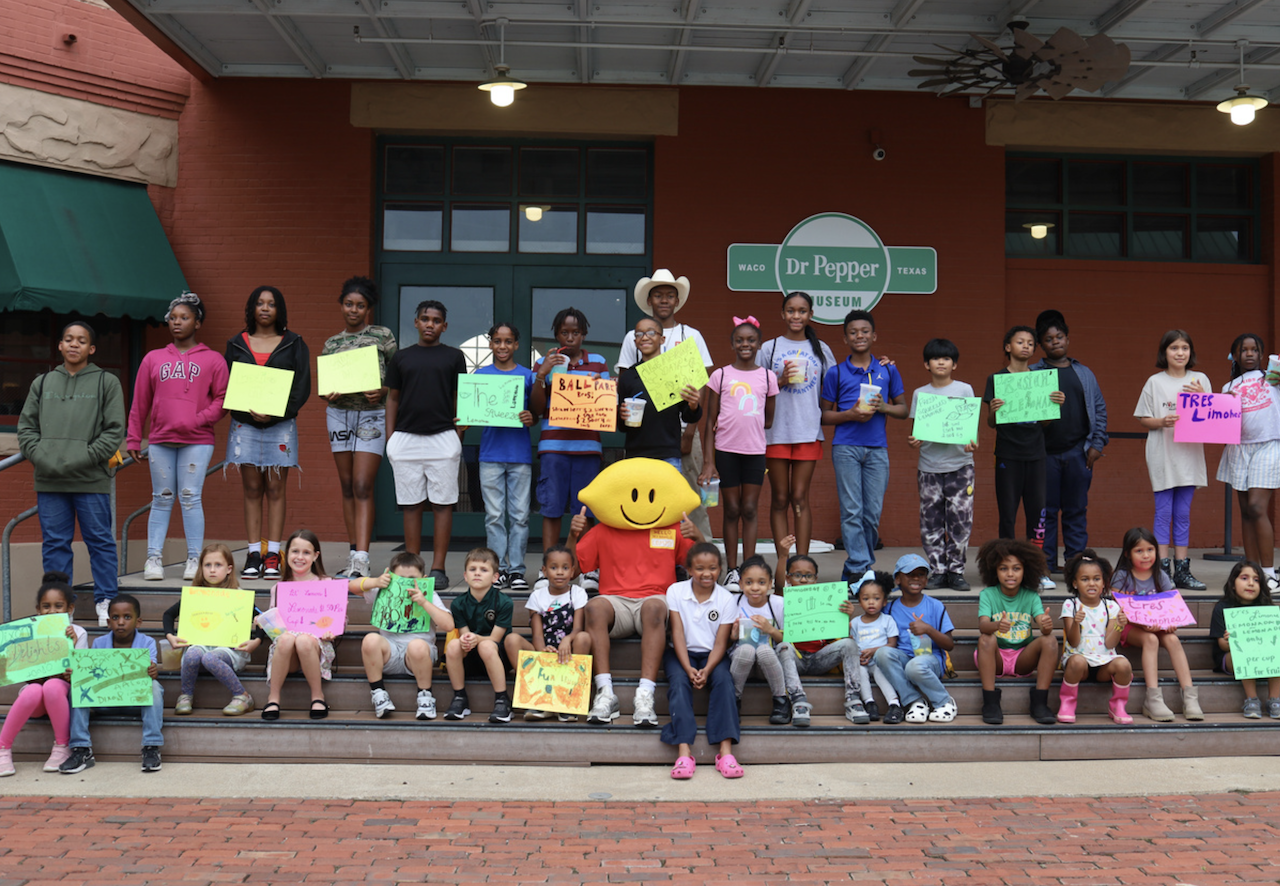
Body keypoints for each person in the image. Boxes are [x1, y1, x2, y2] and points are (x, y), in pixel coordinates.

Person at [568, 458, 703, 728]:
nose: (641, 502)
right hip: (615, 602)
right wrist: (573, 536)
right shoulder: (602, 530)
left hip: (654, 601)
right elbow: (572, 570)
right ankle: (605, 692)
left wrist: (698, 537)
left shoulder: (671, 529)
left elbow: (704, 569)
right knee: (594, 607)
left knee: (654, 607)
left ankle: (645, 694)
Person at [18, 321, 126, 627]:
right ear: (60, 346)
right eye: (68, 339)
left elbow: (114, 432)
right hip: (50, 480)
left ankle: (106, 601)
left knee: (100, 541)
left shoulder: (106, 382)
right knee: (55, 544)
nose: (74, 344)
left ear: (91, 348)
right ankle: (60, 609)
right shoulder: (42, 383)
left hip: (91, 479)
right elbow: (26, 430)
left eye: (81, 340)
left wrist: (83, 458)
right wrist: (44, 458)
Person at [127, 292, 228, 583]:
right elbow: (140, 401)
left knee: (190, 497)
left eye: (184, 317)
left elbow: (223, 399)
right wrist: (134, 437)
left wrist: (197, 419)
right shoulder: (153, 358)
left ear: (198, 322)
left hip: (198, 439)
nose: (177, 322)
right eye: (172, 318)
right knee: (161, 498)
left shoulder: (213, 360)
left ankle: (195, 559)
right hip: (161, 439)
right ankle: (153, 559)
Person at [616, 270, 715, 540]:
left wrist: (690, 431)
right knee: (645, 498)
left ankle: (700, 552)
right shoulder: (632, 337)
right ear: (649, 300)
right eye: (658, 295)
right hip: (644, 432)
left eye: (669, 295)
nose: (664, 300)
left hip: (682, 427)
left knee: (689, 496)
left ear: (677, 301)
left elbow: (700, 384)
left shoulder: (691, 335)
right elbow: (625, 383)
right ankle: (652, 551)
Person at [225, 286, 311, 582]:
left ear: (279, 309)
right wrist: (248, 411)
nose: (265, 308)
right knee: (251, 490)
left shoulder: (294, 343)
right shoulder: (236, 343)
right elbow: (228, 384)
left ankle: (273, 554)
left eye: (271, 304)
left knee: (275, 490)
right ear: (251, 308)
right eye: (260, 303)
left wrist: (275, 413)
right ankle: (253, 554)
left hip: (280, 425)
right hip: (244, 424)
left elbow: (301, 387)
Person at [319, 276, 398, 580]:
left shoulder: (382, 336)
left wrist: (383, 391)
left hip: (371, 416)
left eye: (360, 305)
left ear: (368, 309)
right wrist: (328, 394)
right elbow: (325, 387)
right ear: (341, 306)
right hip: (339, 415)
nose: (354, 310)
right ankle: (353, 554)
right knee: (348, 484)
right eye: (349, 304)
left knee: (363, 485)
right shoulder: (331, 343)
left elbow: (398, 377)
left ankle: (363, 559)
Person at [384, 299, 467, 589]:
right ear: (416, 323)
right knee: (411, 505)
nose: (430, 324)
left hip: (443, 437)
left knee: (443, 504)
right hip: (405, 438)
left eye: (436, 320)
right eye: (425, 319)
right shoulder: (401, 357)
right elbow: (393, 398)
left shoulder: (454, 356)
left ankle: (438, 568)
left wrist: (458, 435)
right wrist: (391, 437)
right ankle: (411, 568)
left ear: (444, 326)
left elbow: (459, 397)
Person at [820, 310, 907, 581]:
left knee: (872, 513)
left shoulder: (887, 369)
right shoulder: (835, 372)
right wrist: (850, 414)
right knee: (851, 511)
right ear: (845, 338)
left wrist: (884, 407)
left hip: (877, 449)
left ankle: (858, 567)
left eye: (865, 331)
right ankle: (860, 568)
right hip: (845, 447)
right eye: (853, 332)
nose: (859, 336)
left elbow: (903, 409)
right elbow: (823, 415)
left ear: (874, 336)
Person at [757, 292, 837, 586]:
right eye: (790, 310)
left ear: (810, 314)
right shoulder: (769, 348)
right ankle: (784, 565)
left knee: (800, 497)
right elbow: (755, 388)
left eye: (802, 311)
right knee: (780, 498)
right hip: (775, 432)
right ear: (782, 314)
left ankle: (803, 567)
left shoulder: (821, 349)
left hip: (807, 430)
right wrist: (779, 381)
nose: (796, 316)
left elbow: (834, 385)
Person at [260, 529, 379, 721]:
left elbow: (339, 617)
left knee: (304, 640)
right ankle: (273, 698)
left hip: (316, 647)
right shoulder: (279, 588)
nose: (300, 557)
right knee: (286, 639)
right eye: (295, 551)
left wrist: (333, 631)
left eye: (306, 552)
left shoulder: (327, 584)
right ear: (287, 553)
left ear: (315, 556)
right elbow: (276, 625)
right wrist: (266, 623)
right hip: (287, 653)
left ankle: (317, 696)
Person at [983, 325, 1065, 592]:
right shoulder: (997, 379)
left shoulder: (1041, 379)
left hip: (1036, 454)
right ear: (1008, 347)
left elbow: (1045, 423)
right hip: (1007, 454)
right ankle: (1005, 568)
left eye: (1030, 343)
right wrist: (994, 410)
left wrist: (1054, 406)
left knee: (1038, 515)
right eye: (1020, 342)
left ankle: (1037, 570)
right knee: (1007, 514)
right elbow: (992, 423)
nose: (1026, 346)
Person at [700, 317, 778, 589]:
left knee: (750, 508)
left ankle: (749, 568)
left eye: (751, 340)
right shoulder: (720, 375)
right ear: (732, 344)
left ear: (759, 344)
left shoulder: (768, 377)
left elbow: (769, 420)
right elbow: (709, 422)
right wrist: (708, 462)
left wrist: (747, 422)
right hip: (726, 451)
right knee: (732, 509)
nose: (746, 344)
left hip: (755, 452)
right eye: (740, 340)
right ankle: (732, 570)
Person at [531, 307, 610, 569]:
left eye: (575, 332)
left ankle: (584, 568)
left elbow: (607, 406)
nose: (570, 337)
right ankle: (548, 567)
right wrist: (542, 374)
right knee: (551, 508)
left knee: (584, 510)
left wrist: (602, 388)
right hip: (553, 446)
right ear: (556, 335)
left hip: (588, 447)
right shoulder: (544, 361)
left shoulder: (598, 361)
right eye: (564, 332)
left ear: (584, 334)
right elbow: (535, 408)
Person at [1134, 329, 1211, 591]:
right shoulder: (1154, 382)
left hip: (1189, 455)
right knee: (1163, 512)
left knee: (1182, 513)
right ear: (1164, 352)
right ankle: (1162, 569)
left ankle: (1183, 570)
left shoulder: (1200, 379)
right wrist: (1162, 421)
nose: (1180, 353)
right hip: (1162, 453)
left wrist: (1204, 396)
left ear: (1191, 352)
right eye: (1174, 348)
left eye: (1184, 348)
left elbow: (1211, 419)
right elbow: (1143, 418)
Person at [1032, 310, 1108, 575]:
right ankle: (1045, 566)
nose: (1055, 342)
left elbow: (1099, 409)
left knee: (1076, 511)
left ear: (1067, 339)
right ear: (1041, 345)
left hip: (1079, 452)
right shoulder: (1033, 374)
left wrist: (1097, 445)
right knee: (1045, 513)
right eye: (1048, 339)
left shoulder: (1084, 373)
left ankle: (1076, 566)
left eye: (1059, 337)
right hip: (1043, 455)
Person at [60, 594, 163, 774]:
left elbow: (150, 669)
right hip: (104, 703)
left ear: (138, 622)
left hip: (136, 703)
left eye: (127, 617)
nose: (121, 622)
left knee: (154, 687)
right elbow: (91, 674)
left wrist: (153, 672)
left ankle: (151, 746)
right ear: (108, 622)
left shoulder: (147, 642)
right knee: (78, 688)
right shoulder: (99, 643)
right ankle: (81, 749)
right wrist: (76, 675)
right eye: (115, 618)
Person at [665, 542, 742, 780]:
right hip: (681, 652)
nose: (706, 573)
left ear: (720, 569)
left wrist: (707, 669)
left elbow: (721, 642)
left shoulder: (726, 598)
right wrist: (688, 667)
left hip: (712, 655)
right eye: (699, 568)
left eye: (712, 568)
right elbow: (677, 633)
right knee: (679, 683)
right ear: (689, 569)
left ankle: (725, 753)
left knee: (724, 682)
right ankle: (684, 753)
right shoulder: (676, 591)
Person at [0, 572, 87, 776]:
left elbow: (80, 676)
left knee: (52, 686)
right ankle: (3, 749)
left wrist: (72, 646)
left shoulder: (78, 632)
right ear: (38, 610)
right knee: (33, 690)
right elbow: (26, 674)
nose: (52, 611)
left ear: (69, 609)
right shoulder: (28, 633)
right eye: (46, 606)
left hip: (62, 696)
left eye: (58, 606)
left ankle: (62, 746)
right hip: (37, 700)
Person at [907, 338, 977, 591]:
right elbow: (916, 430)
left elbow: (971, 428)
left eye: (946, 358)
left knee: (960, 521)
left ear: (954, 364)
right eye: (935, 358)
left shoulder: (964, 390)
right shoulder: (920, 394)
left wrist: (972, 442)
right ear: (927, 364)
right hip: (929, 467)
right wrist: (914, 441)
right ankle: (937, 570)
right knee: (931, 521)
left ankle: (956, 571)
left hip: (961, 466)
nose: (941, 362)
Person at [1111, 526, 1201, 722]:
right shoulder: (1122, 577)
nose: (1146, 555)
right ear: (1127, 554)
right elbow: (1116, 608)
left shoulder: (1161, 576)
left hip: (1156, 625)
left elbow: (1170, 607)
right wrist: (1143, 624)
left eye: (1150, 550)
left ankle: (1190, 696)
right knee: (1151, 640)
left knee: (1173, 639)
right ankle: (1153, 698)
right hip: (1129, 627)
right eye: (1139, 551)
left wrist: (1170, 622)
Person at [164, 543, 261, 717]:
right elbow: (168, 614)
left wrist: (256, 641)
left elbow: (262, 619)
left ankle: (242, 696)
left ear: (229, 569)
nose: (212, 570)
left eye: (218, 565)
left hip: (230, 652)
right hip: (200, 647)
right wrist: (170, 636)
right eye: (207, 565)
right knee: (193, 653)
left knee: (210, 658)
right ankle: (185, 695)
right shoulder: (195, 595)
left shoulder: (238, 595)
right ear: (201, 568)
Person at [474, 322, 536, 592]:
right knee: (494, 515)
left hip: (520, 454)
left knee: (520, 515)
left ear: (516, 345)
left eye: (508, 341)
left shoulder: (528, 376)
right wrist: (464, 421)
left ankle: (517, 570)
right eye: (497, 341)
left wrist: (531, 417)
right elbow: (470, 411)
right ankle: (497, 570)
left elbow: (537, 411)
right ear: (490, 344)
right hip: (490, 453)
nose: (502, 346)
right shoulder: (480, 375)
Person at [776, 548, 866, 726]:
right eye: (797, 575)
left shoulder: (828, 599)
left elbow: (840, 637)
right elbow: (778, 585)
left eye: (809, 576)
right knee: (783, 646)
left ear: (816, 579)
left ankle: (853, 699)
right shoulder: (781, 601)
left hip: (820, 658)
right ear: (788, 578)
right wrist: (783, 555)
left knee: (849, 644)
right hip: (795, 659)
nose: (803, 579)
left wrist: (846, 617)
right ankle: (798, 701)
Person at [1218, 334, 1280, 588]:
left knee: (1256, 507)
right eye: (1244, 350)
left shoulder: (1273, 378)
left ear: (1262, 354)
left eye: (1255, 349)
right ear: (1235, 355)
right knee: (1245, 512)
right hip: (1239, 448)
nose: (1250, 354)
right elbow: (1221, 425)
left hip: (1269, 445)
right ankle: (1252, 573)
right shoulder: (1228, 387)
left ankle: (1269, 573)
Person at [974, 538, 1058, 725]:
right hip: (995, 657)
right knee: (986, 639)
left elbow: (1043, 626)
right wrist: (997, 625)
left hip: (1022, 658)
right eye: (1003, 568)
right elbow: (983, 626)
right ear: (994, 570)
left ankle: (1040, 702)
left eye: (1016, 568)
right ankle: (990, 702)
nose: (1010, 574)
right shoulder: (988, 594)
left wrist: (1046, 624)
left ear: (1025, 570)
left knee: (1050, 640)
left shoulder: (1031, 596)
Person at [503, 544, 591, 721]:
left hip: (569, 651)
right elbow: (537, 634)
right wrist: (543, 651)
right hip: (544, 651)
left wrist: (567, 640)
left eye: (565, 568)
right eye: (553, 567)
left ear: (572, 571)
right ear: (544, 571)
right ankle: (538, 698)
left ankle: (568, 700)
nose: (560, 573)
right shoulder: (537, 596)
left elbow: (578, 628)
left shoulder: (578, 592)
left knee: (584, 637)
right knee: (511, 639)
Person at [362, 551, 452, 721]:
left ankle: (425, 697)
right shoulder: (384, 589)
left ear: (423, 579)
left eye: (412, 578)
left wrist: (424, 602)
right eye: (401, 578)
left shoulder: (429, 594)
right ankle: (379, 694)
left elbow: (448, 625)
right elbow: (351, 586)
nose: (406, 583)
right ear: (391, 577)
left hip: (419, 656)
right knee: (370, 639)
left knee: (416, 645)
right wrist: (375, 582)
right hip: (390, 653)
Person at [874, 554, 957, 724]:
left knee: (915, 666)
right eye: (910, 574)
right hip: (904, 659)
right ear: (898, 579)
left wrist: (928, 629)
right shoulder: (890, 608)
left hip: (931, 660)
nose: (916, 578)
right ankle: (915, 702)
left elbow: (949, 644)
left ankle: (944, 702)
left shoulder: (935, 605)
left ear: (926, 580)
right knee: (882, 653)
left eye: (921, 574)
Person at [616, 316, 702, 468]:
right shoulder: (628, 377)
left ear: (662, 339)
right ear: (635, 342)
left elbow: (688, 415)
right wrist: (622, 416)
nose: (645, 337)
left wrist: (694, 405)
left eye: (651, 333)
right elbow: (622, 427)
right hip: (635, 454)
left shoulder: (675, 373)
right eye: (639, 334)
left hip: (668, 454)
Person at [1058, 550, 1132, 724]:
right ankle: (1067, 703)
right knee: (1077, 661)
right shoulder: (1071, 605)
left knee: (1124, 665)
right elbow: (1073, 642)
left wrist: (1119, 626)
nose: (1091, 583)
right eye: (1085, 579)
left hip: (1104, 663)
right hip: (1079, 662)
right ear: (1075, 583)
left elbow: (1110, 643)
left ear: (1104, 582)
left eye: (1096, 579)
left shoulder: (1111, 606)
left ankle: (1118, 705)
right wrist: (1076, 623)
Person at [443, 547, 514, 724]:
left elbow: (496, 638)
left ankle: (502, 699)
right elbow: (465, 636)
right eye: (472, 569)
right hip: (471, 658)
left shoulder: (504, 602)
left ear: (495, 577)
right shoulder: (458, 604)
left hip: (497, 658)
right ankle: (459, 697)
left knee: (486, 645)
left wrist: (477, 639)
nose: (477, 573)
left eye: (483, 570)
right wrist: (468, 639)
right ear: (465, 576)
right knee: (454, 645)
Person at [1210, 560, 1278, 719]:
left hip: (1265, 656)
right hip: (1230, 657)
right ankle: (1251, 699)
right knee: (1245, 651)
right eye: (1244, 578)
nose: (1251, 583)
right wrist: (1230, 641)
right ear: (1233, 583)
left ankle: (1275, 699)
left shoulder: (1267, 608)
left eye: (1256, 580)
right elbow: (1222, 645)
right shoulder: (1223, 607)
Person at [728, 555, 791, 725]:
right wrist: (733, 636)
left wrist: (771, 630)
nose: (755, 588)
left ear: (770, 584)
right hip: (741, 662)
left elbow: (788, 640)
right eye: (749, 583)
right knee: (746, 650)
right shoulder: (733, 602)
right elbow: (724, 640)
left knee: (764, 650)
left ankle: (780, 700)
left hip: (769, 663)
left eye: (761, 583)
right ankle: (733, 701)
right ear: (740, 584)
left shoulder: (778, 603)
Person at [837, 571, 900, 722]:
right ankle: (869, 703)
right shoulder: (855, 623)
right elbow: (850, 643)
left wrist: (874, 651)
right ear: (859, 601)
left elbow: (892, 644)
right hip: (862, 661)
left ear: (884, 601)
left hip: (878, 661)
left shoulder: (887, 620)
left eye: (876, 598)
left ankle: (894, 704)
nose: (871, 602)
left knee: (881, 674)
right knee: (859, 672)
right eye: (866, 599)